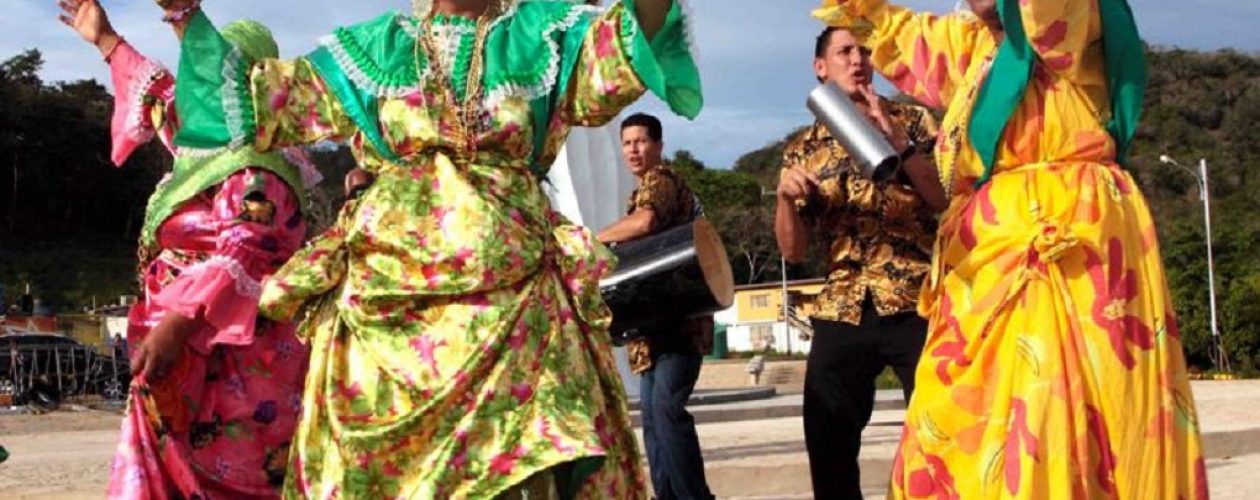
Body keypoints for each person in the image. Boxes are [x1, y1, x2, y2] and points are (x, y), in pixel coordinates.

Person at [157, 0, 703, 496]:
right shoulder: (376, 50)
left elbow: (630, 37)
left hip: (517, 307)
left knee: (529, 463)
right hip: (384, 309)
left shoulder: (543, 35)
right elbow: (260, 100)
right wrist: (183, 14)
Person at [812, 0, 1207, 497]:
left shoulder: (1071, 18)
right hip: (983, 255)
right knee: (954, 418)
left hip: (1065, 236)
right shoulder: (976, 44)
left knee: (1054, 413)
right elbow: (897, 28)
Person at [58, 1, 316, 497]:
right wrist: (106, 40)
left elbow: (242, 251)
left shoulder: (260, 168)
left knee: (225, 472)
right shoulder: (202, 149)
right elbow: (157, 94)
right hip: (182, 345)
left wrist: (177, 327)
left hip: (235, 355)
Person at [774, 24, 945, 499]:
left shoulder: (911, 122)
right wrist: (786, 200)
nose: (858, 60)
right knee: (827, 440)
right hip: (843, 304)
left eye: (865, 51)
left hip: (916, 298)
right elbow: (793, 251)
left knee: (943, 430)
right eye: (845, 51)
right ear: (821, 67)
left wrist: (898, 144)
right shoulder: (804, 147)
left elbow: (942, 198)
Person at [597, 113, 714, 500]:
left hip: (678, 326)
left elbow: (645, 223)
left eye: (641, 141)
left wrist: (592, 239)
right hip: (653, 328)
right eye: (627, 142)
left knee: (666, 412)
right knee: (653, 420)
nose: (633, 149)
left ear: (659, 146)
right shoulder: (643, 188)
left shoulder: (660, 180)